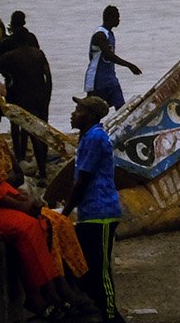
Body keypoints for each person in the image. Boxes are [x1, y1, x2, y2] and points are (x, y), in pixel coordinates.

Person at [0, 97, 92, 318]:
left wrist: (22, 200)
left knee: (37, 223)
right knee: (25, 225)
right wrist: (20, 206)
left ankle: (47, 292)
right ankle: (39, 297)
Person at [65, 94, 126, 323]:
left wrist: (66, 210)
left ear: (90, 115)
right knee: (87, 267)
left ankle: (111, 315)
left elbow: (83, 179)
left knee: (100, 270)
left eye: (78, 110)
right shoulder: (88, 137)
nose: (73, 114)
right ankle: (98, 311)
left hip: (100, 212)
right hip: (92, 212)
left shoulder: (94, 138)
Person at [0, 33, 53, 180]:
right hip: (41, 96)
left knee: (27, 129)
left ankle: (23, 159)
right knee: (42, 131)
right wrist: (47, 95)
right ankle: (43, 171)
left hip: (22, 97)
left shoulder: (10, 56)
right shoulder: (39, 54)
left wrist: (0, 86)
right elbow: (48, 76)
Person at [86, 6, 142, 110]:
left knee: (121, 108)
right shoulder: (100, 34)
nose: (119, 20)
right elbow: (109, 55)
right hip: (97, 80)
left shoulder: (110, 34)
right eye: (117, 17)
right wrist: (129, 65)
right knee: (92, 111)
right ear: (110, 18)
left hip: (110, 79)